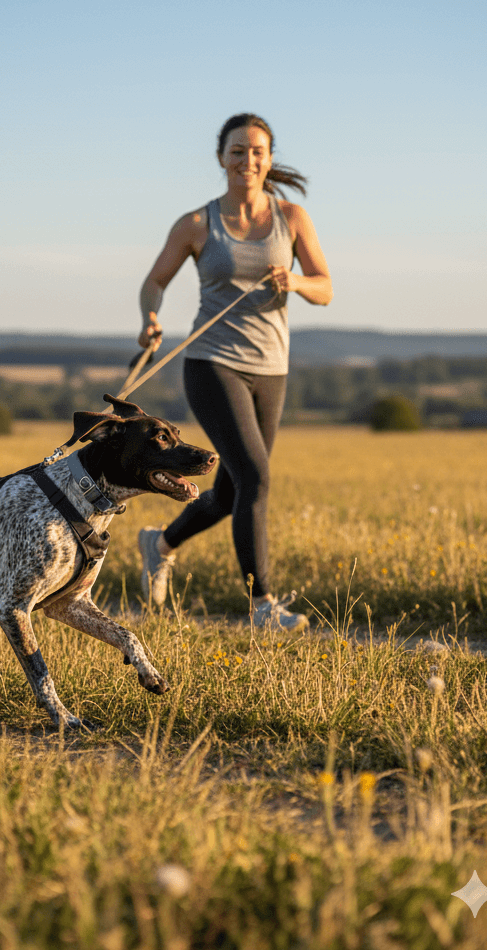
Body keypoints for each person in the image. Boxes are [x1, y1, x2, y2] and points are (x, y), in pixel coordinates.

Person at [136, 113, 333, 629]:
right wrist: (150, 318)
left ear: (269, 158)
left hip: (271, 368)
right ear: (221, 157)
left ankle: (160, 543)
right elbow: (154, 281)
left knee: (230, 493)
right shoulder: (198, 224)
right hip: (212, 363)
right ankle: (263, 605)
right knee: (256, 477)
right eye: (238, 151)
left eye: (258, 151)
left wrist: (294, 282)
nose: (248, 160)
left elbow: (326, 287)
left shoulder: (292, 217)